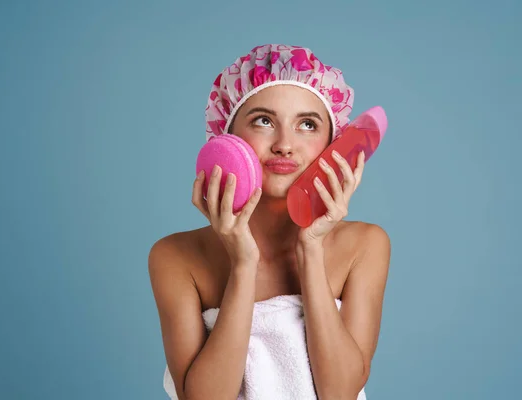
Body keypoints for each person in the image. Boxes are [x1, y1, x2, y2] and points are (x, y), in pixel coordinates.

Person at [148, 44, 391, 400]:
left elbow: (340, 394)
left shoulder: (365, 245)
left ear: (333, 144)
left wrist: (310, 248)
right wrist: (244, 263)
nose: (284, 145)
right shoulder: (175, 256)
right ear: (226, 138)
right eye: (264, 121)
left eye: (307, 125)